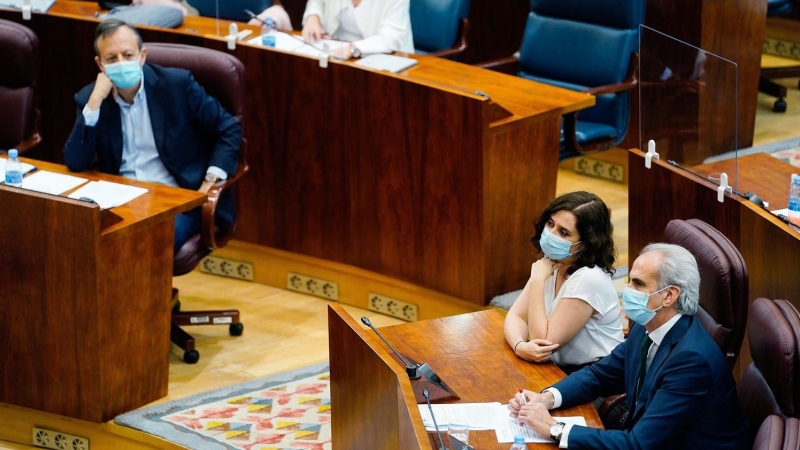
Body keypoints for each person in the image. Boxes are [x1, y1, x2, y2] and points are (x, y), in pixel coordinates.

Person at [509, 243, 748, 449]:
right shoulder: (646, 327)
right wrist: (547, 398)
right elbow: (600, 375)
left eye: (638, 284)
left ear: (669, 296)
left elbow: (638, 444)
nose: (627, 291)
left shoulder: (691, 361)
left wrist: (554, 429)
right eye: (629, 281)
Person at [63, 20, 242, 253]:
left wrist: (209, 181)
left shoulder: (176, 85)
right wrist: (95, 102)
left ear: (142, 56)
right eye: (111, 59)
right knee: (77, 235)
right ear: (100, 64)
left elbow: (228, 128)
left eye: (128, 55)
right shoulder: (91, 98)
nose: (121, 63)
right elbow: (76, 162)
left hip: (175, 200)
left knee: (146, 243)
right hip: (121, 199)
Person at [504, 191, 622, 373]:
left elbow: (543, 343)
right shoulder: (553, 261)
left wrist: (537, 281)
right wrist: (520, 346)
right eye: (550, 223)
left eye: (563, 232)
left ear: (585, 243)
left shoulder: (588, 279)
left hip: (594, 377)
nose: (551, 234)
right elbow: (516, 316)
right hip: (555, 368)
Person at [295, 0, 414, 60]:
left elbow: (392, 36)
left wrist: (354, 49)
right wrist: (313, 17)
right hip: (337, 56)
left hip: (386, 60)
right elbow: (316, 3)